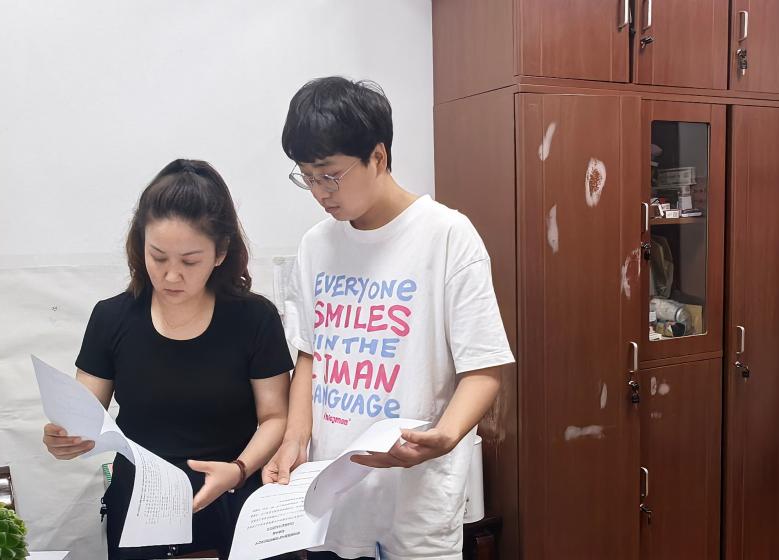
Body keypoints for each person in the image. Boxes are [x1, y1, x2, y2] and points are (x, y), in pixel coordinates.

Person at [263, 77, 515, 560]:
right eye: (307, 177)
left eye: (329, 175)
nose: (319, 192)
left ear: (377, 157)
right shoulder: (317, 245)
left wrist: (446, 435)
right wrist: (295, 438)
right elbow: (310, 356)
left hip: (414, 504)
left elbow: (484, 369)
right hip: (332, 498)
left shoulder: (447, 236)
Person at [43, 159, 293, 560]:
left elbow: (276, 417)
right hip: (143, 505)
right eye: (157, 257)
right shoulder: (112, 318)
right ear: (140, 244)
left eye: (189, 261)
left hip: (234, 493)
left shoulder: (254, 318)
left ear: (220, 253)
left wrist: (239, 470)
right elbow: (84, 415)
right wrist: (65, 439)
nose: (171, 276)